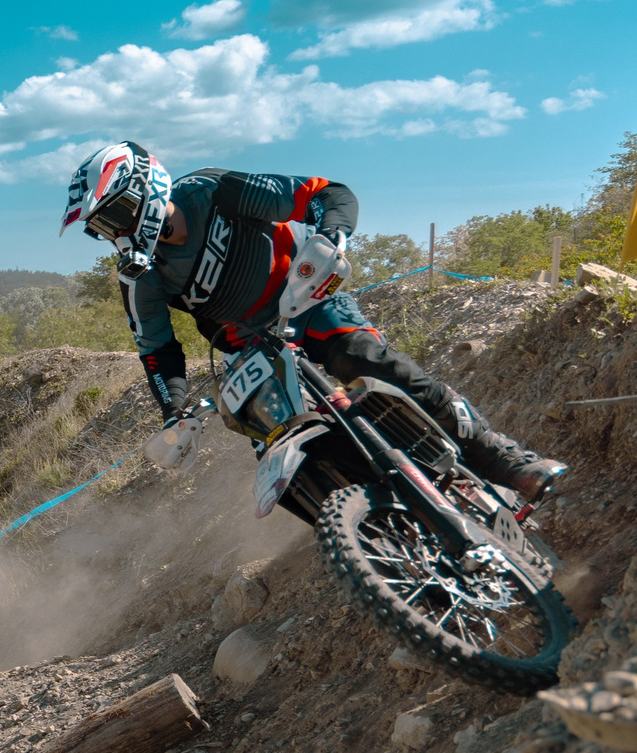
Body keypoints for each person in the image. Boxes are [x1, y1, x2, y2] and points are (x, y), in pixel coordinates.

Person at [61, 141, 564, 502]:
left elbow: (329, 193)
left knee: (366, 360)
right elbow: (157, 349)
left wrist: (333, 235)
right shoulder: (138, 277)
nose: (117, 232)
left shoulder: (217, 191)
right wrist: (174, 411)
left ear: (145, 185)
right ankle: (382, 537)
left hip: (305, 298)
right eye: (103, 226)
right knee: (275, 448)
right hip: (249, 345)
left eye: (117, 213)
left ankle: (504, 458)